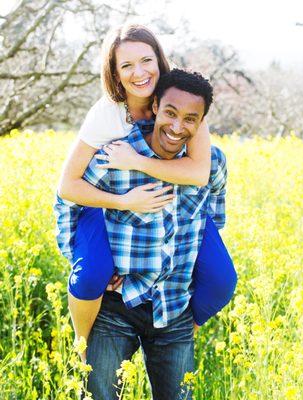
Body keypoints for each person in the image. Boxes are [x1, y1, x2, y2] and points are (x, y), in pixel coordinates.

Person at [54, 24, 236, 362]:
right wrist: (124, 202)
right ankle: (81, 348)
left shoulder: (178, 99)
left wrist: (136, 161)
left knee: (222, 280)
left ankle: (177, 332)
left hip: (173, 200)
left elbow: (198, 173)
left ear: (159, 60)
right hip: (100, 198)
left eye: (146, 60)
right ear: (115, 74)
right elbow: (68, 186)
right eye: (126, 66)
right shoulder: (106, 114)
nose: (139, 72)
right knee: (92, 274)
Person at [71, 68, 227, 399]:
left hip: (174, 306)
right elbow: (70, 202)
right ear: (155, 106)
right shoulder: (116, 156)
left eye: (190, 119)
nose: (177, 126)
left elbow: (215, 214)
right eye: (170, 112)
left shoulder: (211, 163)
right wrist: (88, 262)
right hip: (117, 306)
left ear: (201, 125)